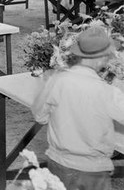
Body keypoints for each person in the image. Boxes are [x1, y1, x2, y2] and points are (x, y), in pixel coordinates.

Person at [31, 26, 124, 190]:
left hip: (58, 163)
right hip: (93, 169)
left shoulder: (56, 80)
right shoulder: (107, 91)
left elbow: (40, 116)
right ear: (100, 59)